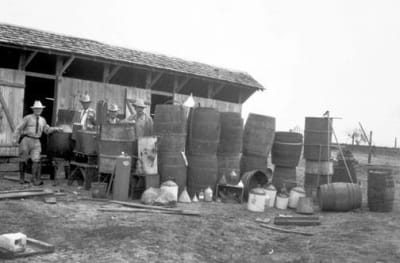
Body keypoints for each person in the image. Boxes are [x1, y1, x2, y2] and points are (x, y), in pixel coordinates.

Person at [13, 100, 62, 185]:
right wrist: (14, 139)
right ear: (33, 109)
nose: (38, 110)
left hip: (36, 141)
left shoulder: (43, 120)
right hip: (26, 140)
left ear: (42, 110)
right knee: (23, 158)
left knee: (36, 160)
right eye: (36, 109)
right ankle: (22, 178)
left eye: (40, 109)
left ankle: (34, 179)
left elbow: (47, 130)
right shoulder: (27, 118)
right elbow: (18, 128)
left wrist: (56, 129)